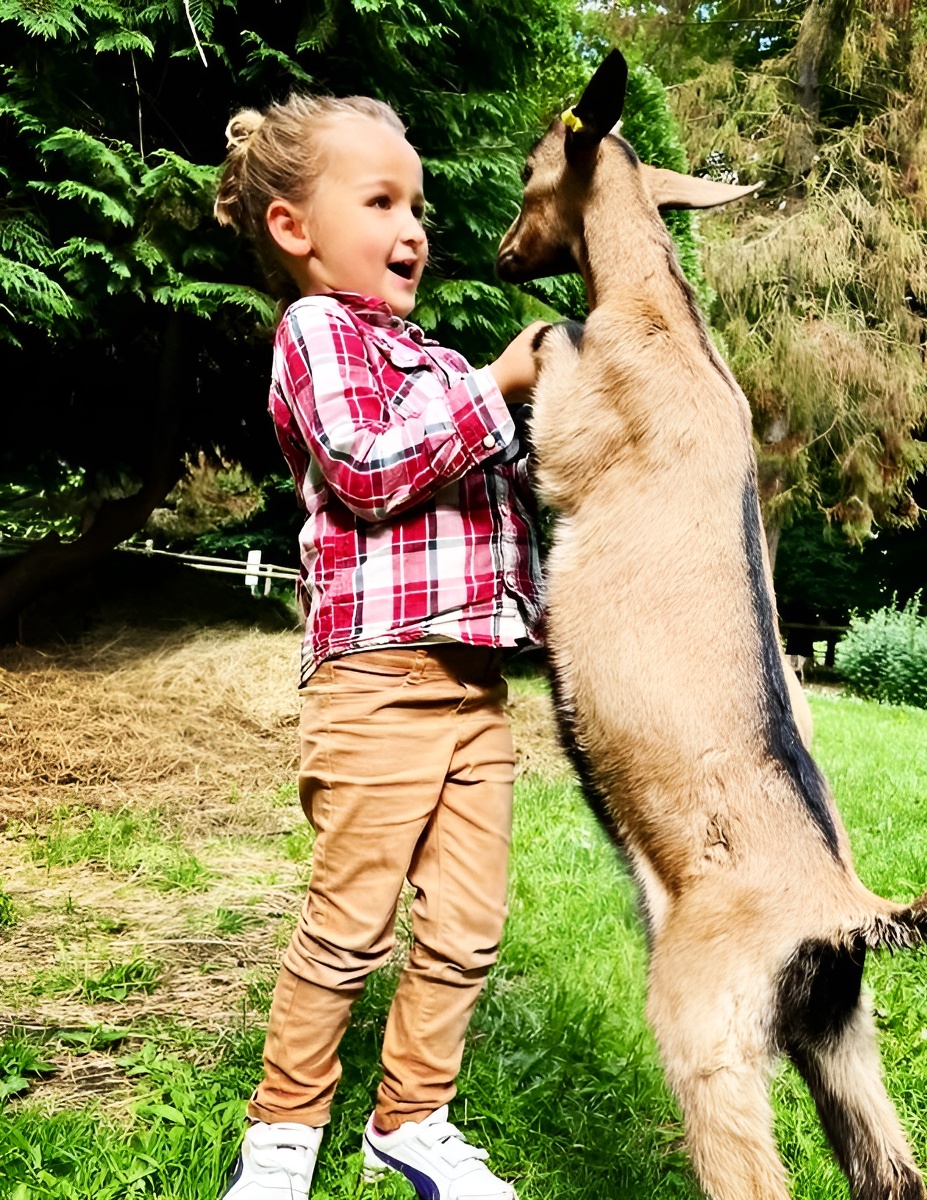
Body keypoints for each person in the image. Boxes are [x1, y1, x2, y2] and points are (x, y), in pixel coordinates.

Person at [212, 93, 546, 1200]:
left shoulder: (439, 361)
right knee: (349, 925)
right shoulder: (317, 333)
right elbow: (366, 469)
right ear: (293, 228)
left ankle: (411, 1120)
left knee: (468, 925)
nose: (414, 229)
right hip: (376, 680)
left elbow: (499, 510)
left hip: (475, 688)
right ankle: (283, 1134)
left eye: (419, 207)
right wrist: (495, 386)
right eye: (382, 202)